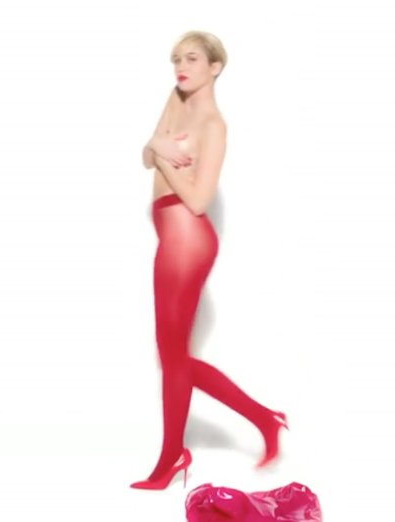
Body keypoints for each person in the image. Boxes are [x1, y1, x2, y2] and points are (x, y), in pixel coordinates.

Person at [130, 31, 288, 491]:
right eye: (176, 59)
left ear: (215, 67)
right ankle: (263, 420)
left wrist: (162, 154)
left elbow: (199, 200)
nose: (181, 67)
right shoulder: (175, 98)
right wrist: (158, 148)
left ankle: (172, 457)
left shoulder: (215, 125)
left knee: (173, 357)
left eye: (192, 59)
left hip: (188, 238)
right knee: (172, 356)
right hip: (170, 233)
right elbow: (145, 157)